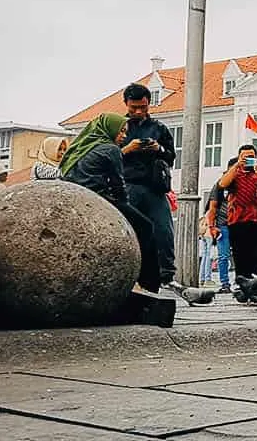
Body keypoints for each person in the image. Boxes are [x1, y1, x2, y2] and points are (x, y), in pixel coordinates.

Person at [60, 112, 160, 292]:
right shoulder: (110, 149)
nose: (123, 136)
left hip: (77, 199)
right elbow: (118, 184)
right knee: (146, 227)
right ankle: (149, 283)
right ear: (110, 130)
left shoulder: (82, 147)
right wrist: (124, 210)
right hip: (99, 199)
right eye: (121, 132)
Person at [120, 83, 176, 285]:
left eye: (142, 107)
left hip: (155, 186)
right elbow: (109, 155)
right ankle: (129, 271)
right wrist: (129, 148)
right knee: (130, 229)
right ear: (126, 104)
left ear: (148, 104)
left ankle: (166, 273)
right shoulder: (119, 127)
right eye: (133, 107)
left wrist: (158, 149)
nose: (138, 111)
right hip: (128, 185)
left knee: (163, 230)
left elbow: (171, 157)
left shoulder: (159, 128)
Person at [217, 144, 257, 278]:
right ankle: (242, 284)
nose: (248, 160)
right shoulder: (234, 173)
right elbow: (222, 184)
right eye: (245, 157)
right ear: (239, 157)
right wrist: (237, 165)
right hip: (238, 220)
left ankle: (254, 284)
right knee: (240, 255)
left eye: (251, 157)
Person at [204, 157, 236, 293]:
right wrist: (212, 226)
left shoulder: (244, 182)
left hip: (240, 224)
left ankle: (242, 282)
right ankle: (225, 283)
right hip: (223, 224)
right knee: (223, 256)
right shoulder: (220, 185)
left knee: (242, 255)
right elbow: (212, 207)